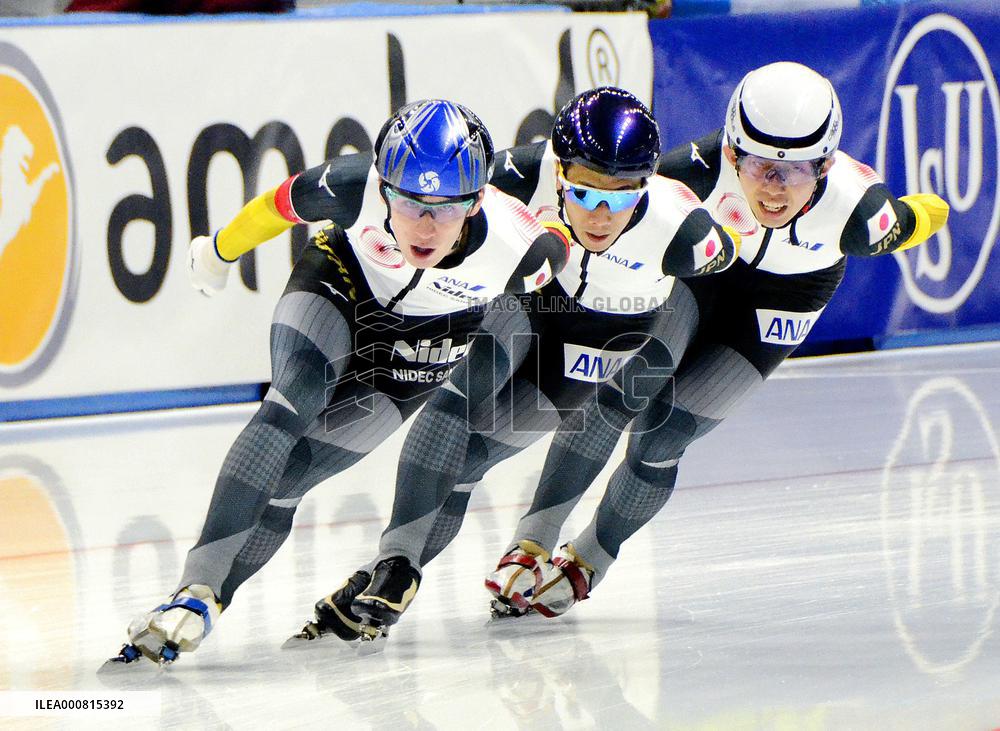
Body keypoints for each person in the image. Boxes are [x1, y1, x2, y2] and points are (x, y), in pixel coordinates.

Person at [473, 61, 951, 618]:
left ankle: (590, 560)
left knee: (664, 437)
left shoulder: (863, 213)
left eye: (794, 170)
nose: (773, 187)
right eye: (758, 164)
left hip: (785, 301)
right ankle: (532, 543)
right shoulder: (688, 174)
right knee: (621, 391)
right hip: (701, 281)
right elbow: (603, 214)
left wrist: (918, 215)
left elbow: (917, 219)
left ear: (825, 166)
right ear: (730, 152)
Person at [105, 99, 570, 667]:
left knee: (292, 479)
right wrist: (217, 253)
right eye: (408, 202)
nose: (425, 227)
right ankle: (193, 588)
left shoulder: (524, 251)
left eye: (446, 209)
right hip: (338, 287)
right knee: (290, 403)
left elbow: (560, 258)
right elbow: (274, 208)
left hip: (423, 342)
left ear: (475, 202)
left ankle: (209, 605)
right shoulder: (351, 186)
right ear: (383, 187)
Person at [290, 86, 741, 645]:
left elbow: (729, 264)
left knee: (468, 462)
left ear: (645, 184)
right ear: (558, 169)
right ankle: (396, 562)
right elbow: (440, 209)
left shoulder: (686, 229)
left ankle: (384, 578)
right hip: (527, 306)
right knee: (454, 404)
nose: (600, 214)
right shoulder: (522, 173)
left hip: (600, 338)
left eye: (621, 195)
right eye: (584, 191)